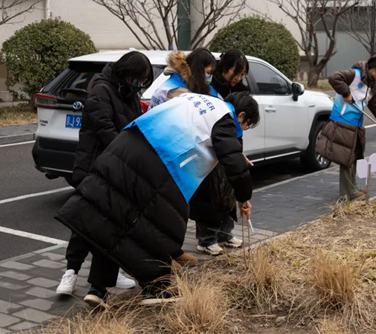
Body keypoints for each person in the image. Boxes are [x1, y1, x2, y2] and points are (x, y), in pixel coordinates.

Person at [55, 92, 259, 307]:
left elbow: (210, 140)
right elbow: (233, 162)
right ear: (242, 114)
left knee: (114, 220)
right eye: (245, 125)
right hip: (158, 163)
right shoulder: (225, 116)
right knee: (159, 227)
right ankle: (156, 290)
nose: (241, 131)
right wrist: (244, 196)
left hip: (126, 146)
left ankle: (98, 289)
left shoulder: (196, 99)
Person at [56, 51, 154, 296]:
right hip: (94, 166)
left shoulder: (127, 93)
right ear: (126, 72)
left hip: (117, 168)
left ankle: (111, 271)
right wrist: (130, 153)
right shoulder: (101, 90)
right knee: (84, 222)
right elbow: (105, 129)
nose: (139, 84)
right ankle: (71, 272)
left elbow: (133, 126)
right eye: (137, 78)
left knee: (111, 224)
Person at [190, 49, 251, 256]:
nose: (239, 78)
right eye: (236, 73)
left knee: (227, 192)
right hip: (209, 145)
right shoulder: (207, 88)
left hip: (229, 142)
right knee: (208, 196)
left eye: (243, 75)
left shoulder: (240, 90)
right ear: (224, 67)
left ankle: (225, 234)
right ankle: (206, 239)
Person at [316, 54, 376, 201]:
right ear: (375, 69)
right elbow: (334, 77)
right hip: (343, 120)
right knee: (346, 158)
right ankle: (347, 194)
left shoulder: (372, 85)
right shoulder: (355, 75)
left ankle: (351, 189)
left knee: (353, 157)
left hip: (356, 124)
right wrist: (346, 92)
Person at [149, 48, 217, 109]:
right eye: (208, 72)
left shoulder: (175, 82)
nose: (210, 77)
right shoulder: (179, 91)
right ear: (198, 71)